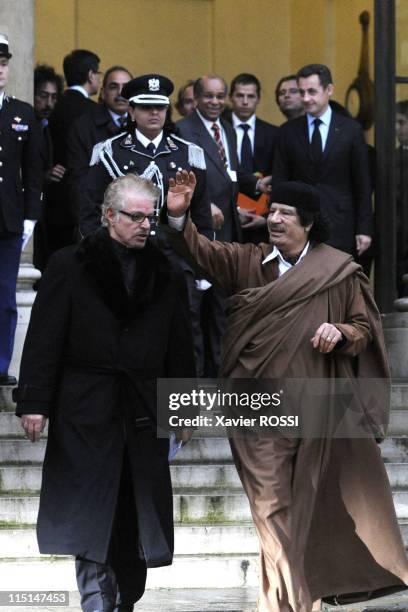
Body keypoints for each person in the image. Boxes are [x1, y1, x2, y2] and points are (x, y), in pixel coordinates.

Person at [163, 174, 408, 611]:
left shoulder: (339, 270)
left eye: (285, 214)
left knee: (302, 513)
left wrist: (341, 330)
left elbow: (365, 329)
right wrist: (179, 218)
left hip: (317, 408)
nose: (273, 219)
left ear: (308, 223)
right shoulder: (248, 261)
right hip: (255, 407)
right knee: (272, 510)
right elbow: (200, 252)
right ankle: (297, 604)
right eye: (270, 211)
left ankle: (280, 603)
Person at [14, 173, 196, 612]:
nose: (144, 225)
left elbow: (180, 344)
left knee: (137, 514)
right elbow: (44, 338)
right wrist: (35, 403)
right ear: (109, 216)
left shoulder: (167, 271)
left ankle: (124, 598)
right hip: (85, 406)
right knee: (89, 510)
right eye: (134, 217)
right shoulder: (69, 264)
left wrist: (183, 407)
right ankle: (97, 602)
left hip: (141, 406)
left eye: (149, 217)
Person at [176, 74, 271, 375]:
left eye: (220, 96)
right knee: (192, 308)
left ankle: (221, 374)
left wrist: (258, 186)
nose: (215, 102)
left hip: (228, 233)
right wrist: (204, 205)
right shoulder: (182, 130)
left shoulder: (227, 129)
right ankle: (194, 379)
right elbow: (178, 180)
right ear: (197, 97)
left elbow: (230, 173)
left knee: (223, 307)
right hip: (199, 231)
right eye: (208, 96)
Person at [273, 63, 373, 258]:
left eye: (312, 91)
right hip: (300, 226)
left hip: (341, 223)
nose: (306, 99)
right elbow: (280, 182)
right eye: (302, 92)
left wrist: (364, 228)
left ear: (329, 90)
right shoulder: (288, 131)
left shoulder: (351, 130)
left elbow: (362, 184)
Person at [0, 34, 43, 386]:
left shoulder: (21, 112)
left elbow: (33, 170)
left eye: (3, 63)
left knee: (5, 299)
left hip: (7, 219)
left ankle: (0, 366)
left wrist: (30, 217)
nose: (0, 70)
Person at [47, 49, 101, 250]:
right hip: (85, 199)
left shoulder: (55, 107)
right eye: (98, 74)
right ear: (90, 75)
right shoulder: (93, 112)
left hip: (54, 196)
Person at [67, 65, 133, 215]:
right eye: (113, 87)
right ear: (103, 93)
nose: (121, 92)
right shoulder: (83, 126)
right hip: (97, 214)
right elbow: (79, 182)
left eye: (126, 87)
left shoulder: (144, 124)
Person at [229, 73, 278, 242]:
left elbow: (278, 177)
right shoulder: (218, 130)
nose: (245, 101)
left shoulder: (273, 134)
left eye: (250, 96)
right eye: (240, 95)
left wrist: (266, 217)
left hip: (262, 221)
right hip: (226, 217)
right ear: (231, 98)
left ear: (258, 99)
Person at [32, 64, 65, 273]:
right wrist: (45, 176)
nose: (49, 103)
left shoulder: (45, 126)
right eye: (43, 96)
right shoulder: (29, 125)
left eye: (54, 97)